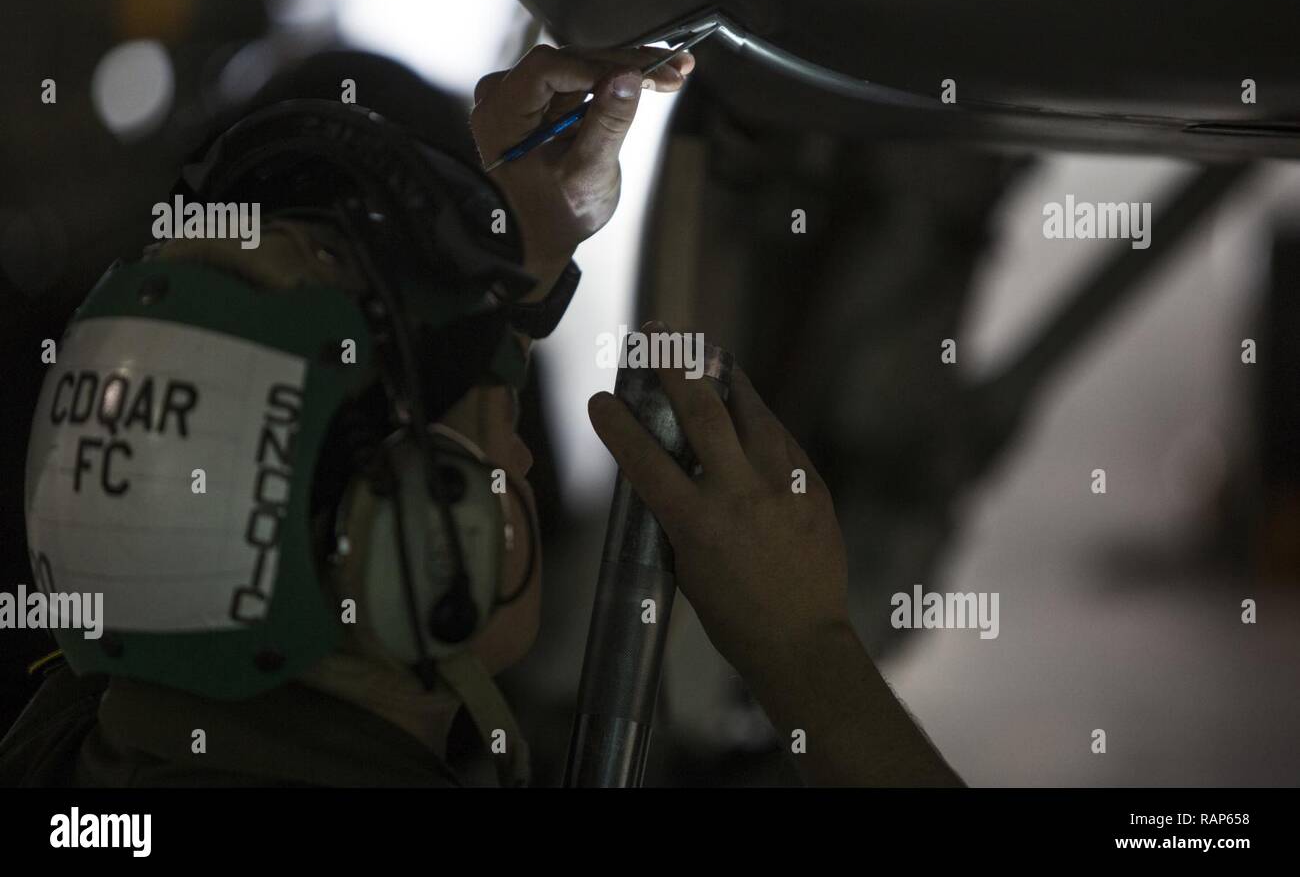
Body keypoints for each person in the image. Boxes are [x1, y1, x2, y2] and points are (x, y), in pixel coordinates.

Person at [0, 43, 960, 787]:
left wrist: (508, 258)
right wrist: (809, 657)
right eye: (492, 440)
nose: (528, 462)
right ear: (426, 540)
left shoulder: (73, 745)